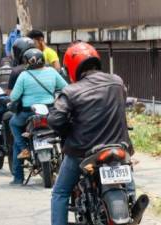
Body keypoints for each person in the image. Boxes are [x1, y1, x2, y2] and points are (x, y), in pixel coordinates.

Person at [48, 42, 134, 225]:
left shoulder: (71, 91)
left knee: (60, 193)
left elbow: (55, 120)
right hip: (119, 146)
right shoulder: (117, 82)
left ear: (71, 67)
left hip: (83, 151)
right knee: (127, 177)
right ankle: (132, 199)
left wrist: (68, 129)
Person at [9, 48, 67, 185]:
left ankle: (23, 154)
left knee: (13, 124)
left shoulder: (24, 75)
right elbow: (65, 87)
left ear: (26, 61)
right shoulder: (52, 72)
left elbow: (14, 96)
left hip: (28, 113)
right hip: (50, 112)